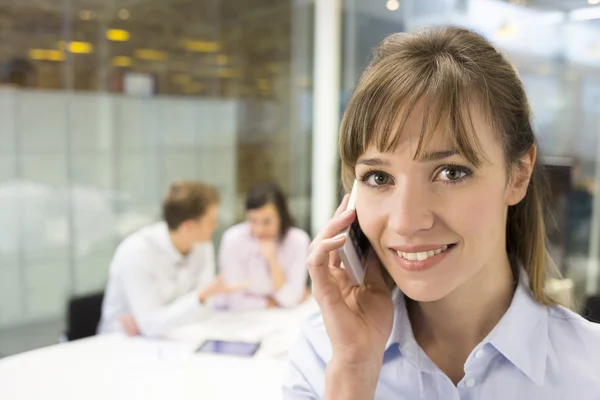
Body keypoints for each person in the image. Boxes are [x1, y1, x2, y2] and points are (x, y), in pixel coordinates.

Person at [283, 26, 600, 399]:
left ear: (518, 174)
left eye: (451, 172)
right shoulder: (323, 355)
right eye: (379, 177)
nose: (405, 221)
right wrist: (354, 370)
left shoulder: (589, 371)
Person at [97, 181, 246, 338]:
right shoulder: (136, 252)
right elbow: (151, 325)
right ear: (188, 227)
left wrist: (193, 304)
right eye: (211, 221)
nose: (216, 226)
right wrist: (198, 298)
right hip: (121, 343)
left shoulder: (202, 245)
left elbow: (203, 310)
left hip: (173, 337)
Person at [216, 182, 310, 310]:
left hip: (282, 319)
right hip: (237, 318)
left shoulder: (298, 240)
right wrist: (272, 302)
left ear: (281, 217)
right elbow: (235, 301)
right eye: (253, 220)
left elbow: (290, 300)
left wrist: (272, 260)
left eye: (267, 222)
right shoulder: (233, 239)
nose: (259, 230)